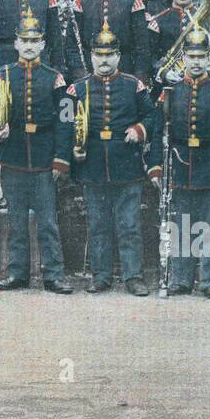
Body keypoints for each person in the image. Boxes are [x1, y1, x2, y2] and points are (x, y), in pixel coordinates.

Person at [60, 20, 158, 295]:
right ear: (91, 56)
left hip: (127, 165)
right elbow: (64, 126)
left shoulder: (134, 86)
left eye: (110, 55)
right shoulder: (75, 90)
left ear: (118, 56)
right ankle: (100, 276)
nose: (104, 60)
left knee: (129, 225)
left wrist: (139, 130)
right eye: (99, 55)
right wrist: (73, 150)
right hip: (92, 165)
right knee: (98, 225)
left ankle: (133, 277)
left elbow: (152, 117)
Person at [0, 12, 72, 294]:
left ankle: (53, 275)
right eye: (24, 41)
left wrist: (61, 159)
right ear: (16, 43)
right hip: (13, 155)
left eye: (35, 41)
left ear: (42, 44)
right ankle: (16, 273)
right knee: (16, 220)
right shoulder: (2, 75)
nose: (29, 46)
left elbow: (66, 121)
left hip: (44, 157)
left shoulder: (55, 78)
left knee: (47, 222)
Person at [146, 26, 210, 298]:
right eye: (191, 56)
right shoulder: (170, 92)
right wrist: (156, 166)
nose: (196, 62)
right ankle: (181, 279)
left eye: (201, 56)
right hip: (180, 165)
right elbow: (158, 133)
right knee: (181, 226)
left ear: (209, 58)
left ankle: (209, 281)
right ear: (183, 58)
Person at [147, 0, 201, 84]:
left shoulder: (206, 19)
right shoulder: (158, 22)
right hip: (169, 85)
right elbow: (149, 57)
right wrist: (163, 72)